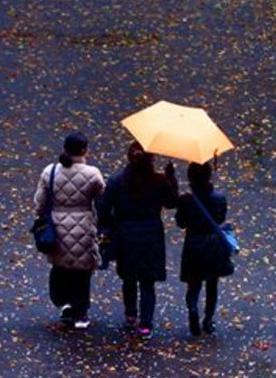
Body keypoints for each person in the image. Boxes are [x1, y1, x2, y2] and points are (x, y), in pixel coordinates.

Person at [98, 142, 178, 338]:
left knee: (128, 277)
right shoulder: (159, 181)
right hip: (151, 233)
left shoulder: (117, 181)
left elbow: (103, 207)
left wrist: (110, 227)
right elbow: (171, 203)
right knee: (148, 281)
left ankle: (130, 316)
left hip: (125, 233)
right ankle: (146, 324)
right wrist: (171, 179)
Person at [33, 132, 105, 329]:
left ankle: (64, 305)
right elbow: (102, 198)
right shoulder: (92, 174)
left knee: (60, 267)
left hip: (57, 225)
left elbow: (40, 201)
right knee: (82, 272)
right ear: (84, 150)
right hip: (84, 225)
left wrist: (40, 219)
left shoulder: (51, 171)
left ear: (64, 148)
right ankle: (81, 313)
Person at [175, 161, 234, 334]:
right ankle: (208, 320)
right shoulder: (219, 198)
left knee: (193, 285)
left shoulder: (186, 200)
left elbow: (181, 223)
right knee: (212, 284)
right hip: (213, 245)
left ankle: (193, 310)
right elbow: (221, 219)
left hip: (194, 244)